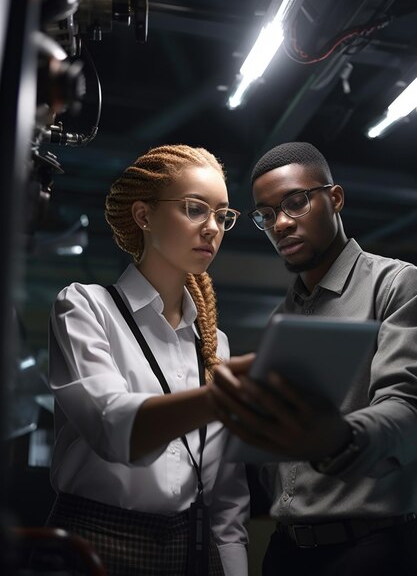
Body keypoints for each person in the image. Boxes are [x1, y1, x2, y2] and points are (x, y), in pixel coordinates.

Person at [210, 141, 417, 576]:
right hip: (286, 553)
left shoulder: (396, 285)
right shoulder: (281, 318)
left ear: (335, 198)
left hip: (370, 551)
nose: (280, 224)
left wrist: (337, 437)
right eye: (265, 215)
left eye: (296, 202)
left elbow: (407, 410)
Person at [45, 144, 250, 576]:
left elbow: (226, 496)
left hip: (190, 547)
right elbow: (113, 425)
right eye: (195, 209)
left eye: (222, 215)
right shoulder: (85, 308)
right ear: (143, 216)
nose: (212, 228)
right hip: (95, 541)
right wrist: (224, 396)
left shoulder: (216, 344)